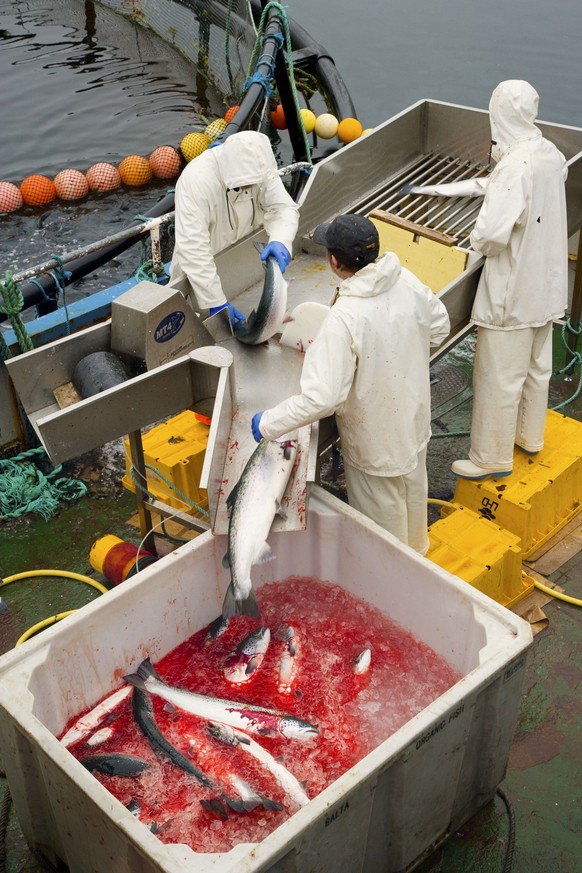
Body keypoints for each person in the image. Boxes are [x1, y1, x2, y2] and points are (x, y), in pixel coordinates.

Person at [250, 213, 450, 554]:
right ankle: (421, 563)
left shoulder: (346, 316)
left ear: (333, 261)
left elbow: (322, 399)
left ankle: (398, 593)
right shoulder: (407, 282)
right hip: (413, 427)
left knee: (385, 545)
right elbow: (440, 328)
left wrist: (267, 423)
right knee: (414, 521)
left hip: (375, 446)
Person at [452, 79, 569, 480]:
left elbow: (490, 236)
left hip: (513, 291)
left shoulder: (513, 166)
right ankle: (529, 437)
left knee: (499, 378)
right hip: (548, 285)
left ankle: (490, 458)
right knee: (537, 369)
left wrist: (471, 236)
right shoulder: (551, 155)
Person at [168, 130, 299, 330]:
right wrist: (215, 303)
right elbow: (194, 249)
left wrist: (281, 240)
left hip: (240, 271)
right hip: (199, 278)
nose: (252, 187)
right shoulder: (196, 180)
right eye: (245, 184)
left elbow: (282, 208)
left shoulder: (260, 167)